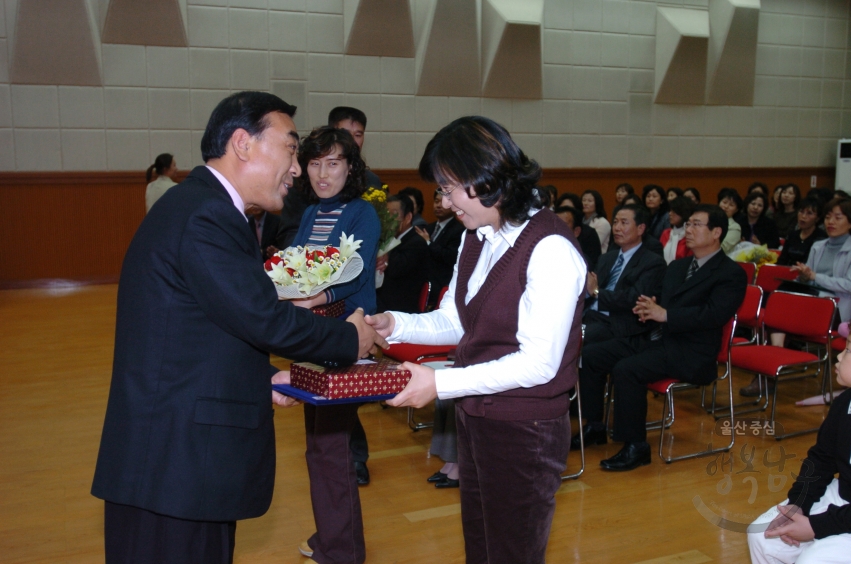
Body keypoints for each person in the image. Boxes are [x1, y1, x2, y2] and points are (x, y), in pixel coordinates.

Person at [91, 91, 386, 564]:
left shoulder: (201, 206)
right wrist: (352, 338)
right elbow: (263, 317)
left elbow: (200, 330)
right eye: (291, 149)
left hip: (173, 460)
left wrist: (262, 378)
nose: (297, 169)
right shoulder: (207, 215)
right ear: (243, 144)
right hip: (174, 468)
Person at [367, 116, 585, 563]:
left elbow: (539, 364)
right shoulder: (477, 237)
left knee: (513, 552)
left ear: (486, 178)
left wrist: (439, 383)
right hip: (478, 415)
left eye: (448, 189)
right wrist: (395, 323)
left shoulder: (550, 249)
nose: (443, 203)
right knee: (482, 547)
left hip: (526, 427)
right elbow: (460, 321)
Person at [582, 205, 746, 471]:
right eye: (688, 224)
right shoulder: (678, 267)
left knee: (628, 369)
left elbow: (712, 315)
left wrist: (665, 315)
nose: (688, 230)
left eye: (695, 225)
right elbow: (659, 300)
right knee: (592, 355)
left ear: (716, 232)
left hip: (693, 351)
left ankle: (636, 446)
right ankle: (595, 425)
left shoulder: (730, 274)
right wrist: (648, 307)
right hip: (658, 338)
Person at [285, 125, 382, 562]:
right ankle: (334, 539)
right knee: (324, 445)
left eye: (334, 163)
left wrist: (310, 298)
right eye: (315, 163)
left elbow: (356, 274)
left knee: (329, 446)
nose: (323, 174)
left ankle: (340, 548)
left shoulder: (362, 212)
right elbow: (299, 266)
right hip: (314, 336)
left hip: (346, 335)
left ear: (350, 168)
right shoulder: (309, 214)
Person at [746, 333, 851, 564]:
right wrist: (799, 504)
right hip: (841, 498)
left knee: (814, 560)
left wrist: (816, 526)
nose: (839, 356)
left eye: (849, 350)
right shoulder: (845, 402)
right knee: (761, 536)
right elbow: (821, 459)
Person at [574, 204, 666, 449]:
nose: (617, 227)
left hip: (621, 325)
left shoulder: (652, 262)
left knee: (582, 347)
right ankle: (584, 416)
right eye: (615, 222)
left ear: (641, 228)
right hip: (592, 318)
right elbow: (588, 292)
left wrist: (596, 292)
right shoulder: (608, 258)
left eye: (624, 222)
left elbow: (634, 300)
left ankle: (589, 420)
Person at [791, 197, 851, 323]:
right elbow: (811, 278)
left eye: (838, 218)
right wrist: (804, 276)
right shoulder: (818, 246)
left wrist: (815, 277)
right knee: (783, 294)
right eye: (828, 217)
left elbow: (848, 285)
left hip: (839, 307)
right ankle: (778, 343)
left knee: (789, 308)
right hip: (815, 299)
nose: (831, 222)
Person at [376, 195, 429, 313]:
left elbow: (396, 269)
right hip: (384, 300)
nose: (388, 220)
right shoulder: (391, 239)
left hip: (401, 307)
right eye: (386, 214)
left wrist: (387, 243)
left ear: (408, 217)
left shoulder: (416, 242)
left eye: (394, 214)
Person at [416, 189, 465, 309]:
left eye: (442, 201)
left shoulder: (459, 229)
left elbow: (449, 256)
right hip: (424, 282)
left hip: (442, 284)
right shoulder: (429, 227)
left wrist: (428, 242)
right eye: (436, 201)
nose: (438, 205)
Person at [777, 197, 827, 266]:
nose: (803, 216)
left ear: (817, 218)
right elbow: (781, 261)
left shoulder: (821, 238)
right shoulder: (792, 235)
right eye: (801, 211)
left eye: (809, 213)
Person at [555, 204, 602, 268]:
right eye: (554, 224)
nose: (556, 229)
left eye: (563, 225)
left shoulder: (582, 262)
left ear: (576, 231)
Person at [660, 196, 696, 264]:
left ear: (684, 213)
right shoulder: (666, 233)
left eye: (674, 211)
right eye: (670, 210)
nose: (670, 214)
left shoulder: (690, 235)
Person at [717, 187, 744, 253]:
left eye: (731, 205)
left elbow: (722, 248)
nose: (726, 206)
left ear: (736, 210)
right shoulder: (708, 219)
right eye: (724, 202)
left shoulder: (734, 227)